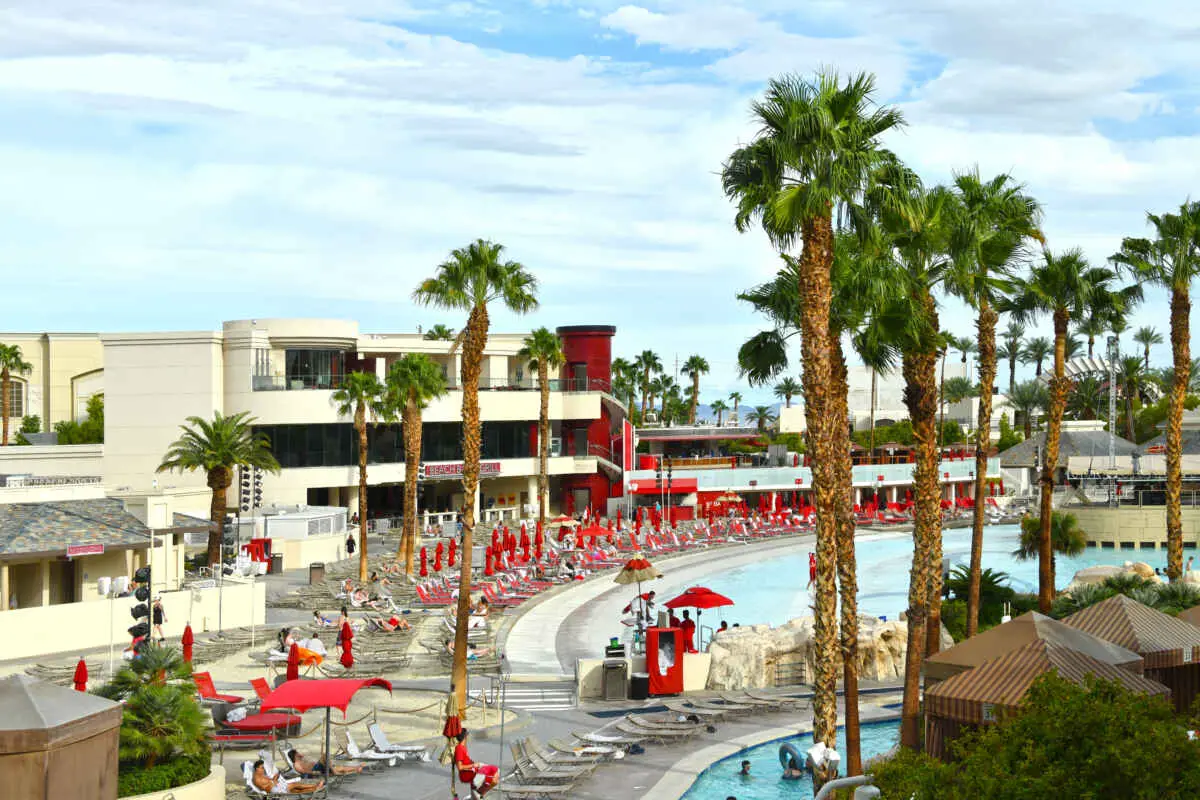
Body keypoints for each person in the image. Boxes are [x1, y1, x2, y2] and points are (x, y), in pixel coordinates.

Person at [454, 729, 499, 797]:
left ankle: (479, 792)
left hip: (472, 770)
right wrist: (474, 765)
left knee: (495, 773)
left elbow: (466, 761)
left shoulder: (463, 747)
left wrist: (477, 765)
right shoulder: (459, 748)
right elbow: (460, 767)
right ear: (465, 737)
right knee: (494, 778)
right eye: (467, 735)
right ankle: (480, 792)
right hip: (467, 774)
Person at [251, 759, 324, 795]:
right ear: (257, 768)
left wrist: (276, 776)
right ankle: (316, 786)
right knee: (296, 784)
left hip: (276, 786)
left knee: (296, 790)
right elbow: (266, 787)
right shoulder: (257, 779)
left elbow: (270, 781)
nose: (263, 769)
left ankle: (314, 789)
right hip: (275, 789)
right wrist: (274, 781)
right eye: (262, 768)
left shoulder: (261, 775)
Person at [288, 748, 363, 777]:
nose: (299, 752)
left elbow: (307, 758)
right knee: (325, 755)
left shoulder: (301, 759)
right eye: (297, 752)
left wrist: (301, 755)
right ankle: (334, 772)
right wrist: (314, 773)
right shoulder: (296, 764)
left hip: (318, 767)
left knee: (338, 768)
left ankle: (356, 768)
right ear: (295, 755)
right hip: (315, 771)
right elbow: (304, 772)